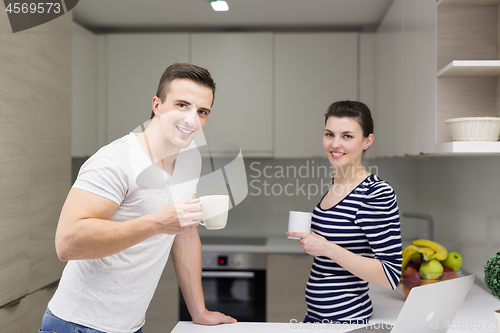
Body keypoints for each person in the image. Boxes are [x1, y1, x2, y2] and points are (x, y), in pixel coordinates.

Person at [40, 63, 236, 333]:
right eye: (182, 105)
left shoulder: (190, 157)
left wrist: (199, 311)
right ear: (157, 105)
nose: (192, 120)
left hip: (130, 326)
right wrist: (157, 223)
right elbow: (67, 243)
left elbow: (186, 234)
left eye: (202, 111)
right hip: (79, 324)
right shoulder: (116, 161)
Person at [287, 100, 402, 324]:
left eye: (347, 136)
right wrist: (313, 240)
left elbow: (390, 275)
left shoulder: (376, 193)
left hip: (346, 323)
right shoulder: (335, 186)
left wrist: (327, 248)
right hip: (317, 318)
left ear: (367, 141)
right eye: (329, 134)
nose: (335, 144)